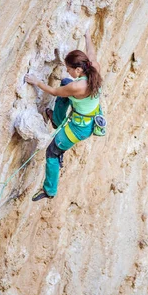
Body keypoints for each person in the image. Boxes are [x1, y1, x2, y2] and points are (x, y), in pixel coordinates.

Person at [24, 30, 102, 201]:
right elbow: (91, 53)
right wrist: (87, 36)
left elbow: (53, 91)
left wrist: (37, 81)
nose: (68, 71)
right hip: (88, 115)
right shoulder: (94, 68)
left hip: (79, 128)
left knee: (52, 152)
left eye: (69, 69)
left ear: (79, 69)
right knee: (66, 82)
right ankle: (57, 120)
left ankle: (50, 190)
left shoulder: (78, 87)